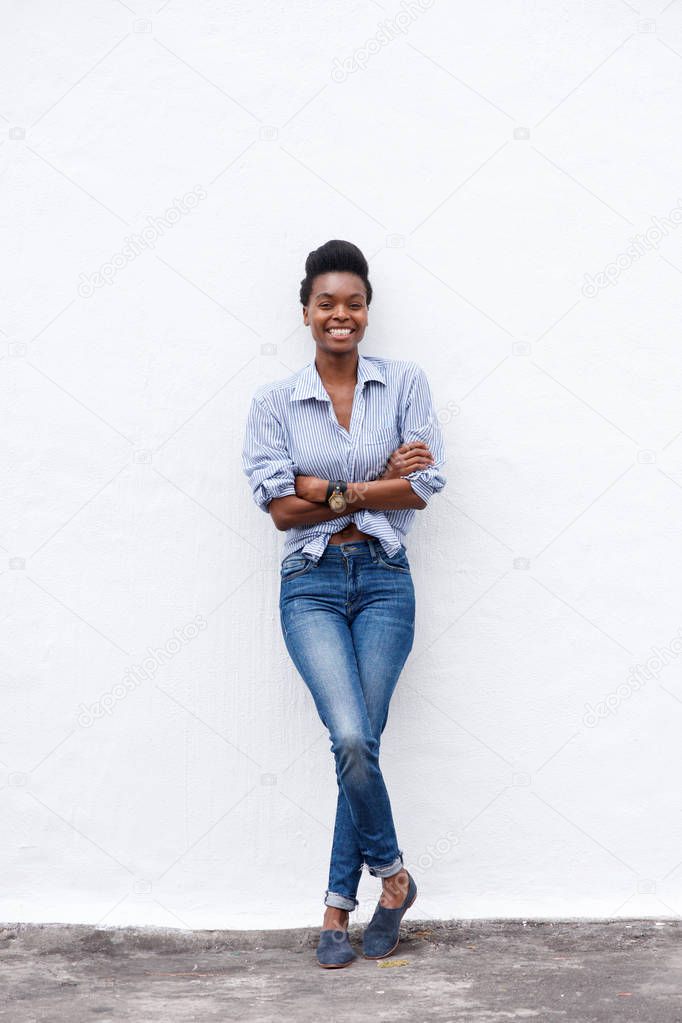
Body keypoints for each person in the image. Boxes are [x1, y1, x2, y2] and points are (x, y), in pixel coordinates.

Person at [241, 239, 447, 967]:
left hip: (387, 579)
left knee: (357, 743)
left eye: (353, 302)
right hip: (312, 585)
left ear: (366, 312)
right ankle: (393, 879)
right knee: (352, 737)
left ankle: (336, 908)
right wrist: (369, 483)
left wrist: (322, 486)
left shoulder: (406, 384)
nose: (340, 313)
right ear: (306, 311)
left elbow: (423, 486)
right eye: (326, 302)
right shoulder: (274, 401)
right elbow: (279, 511)